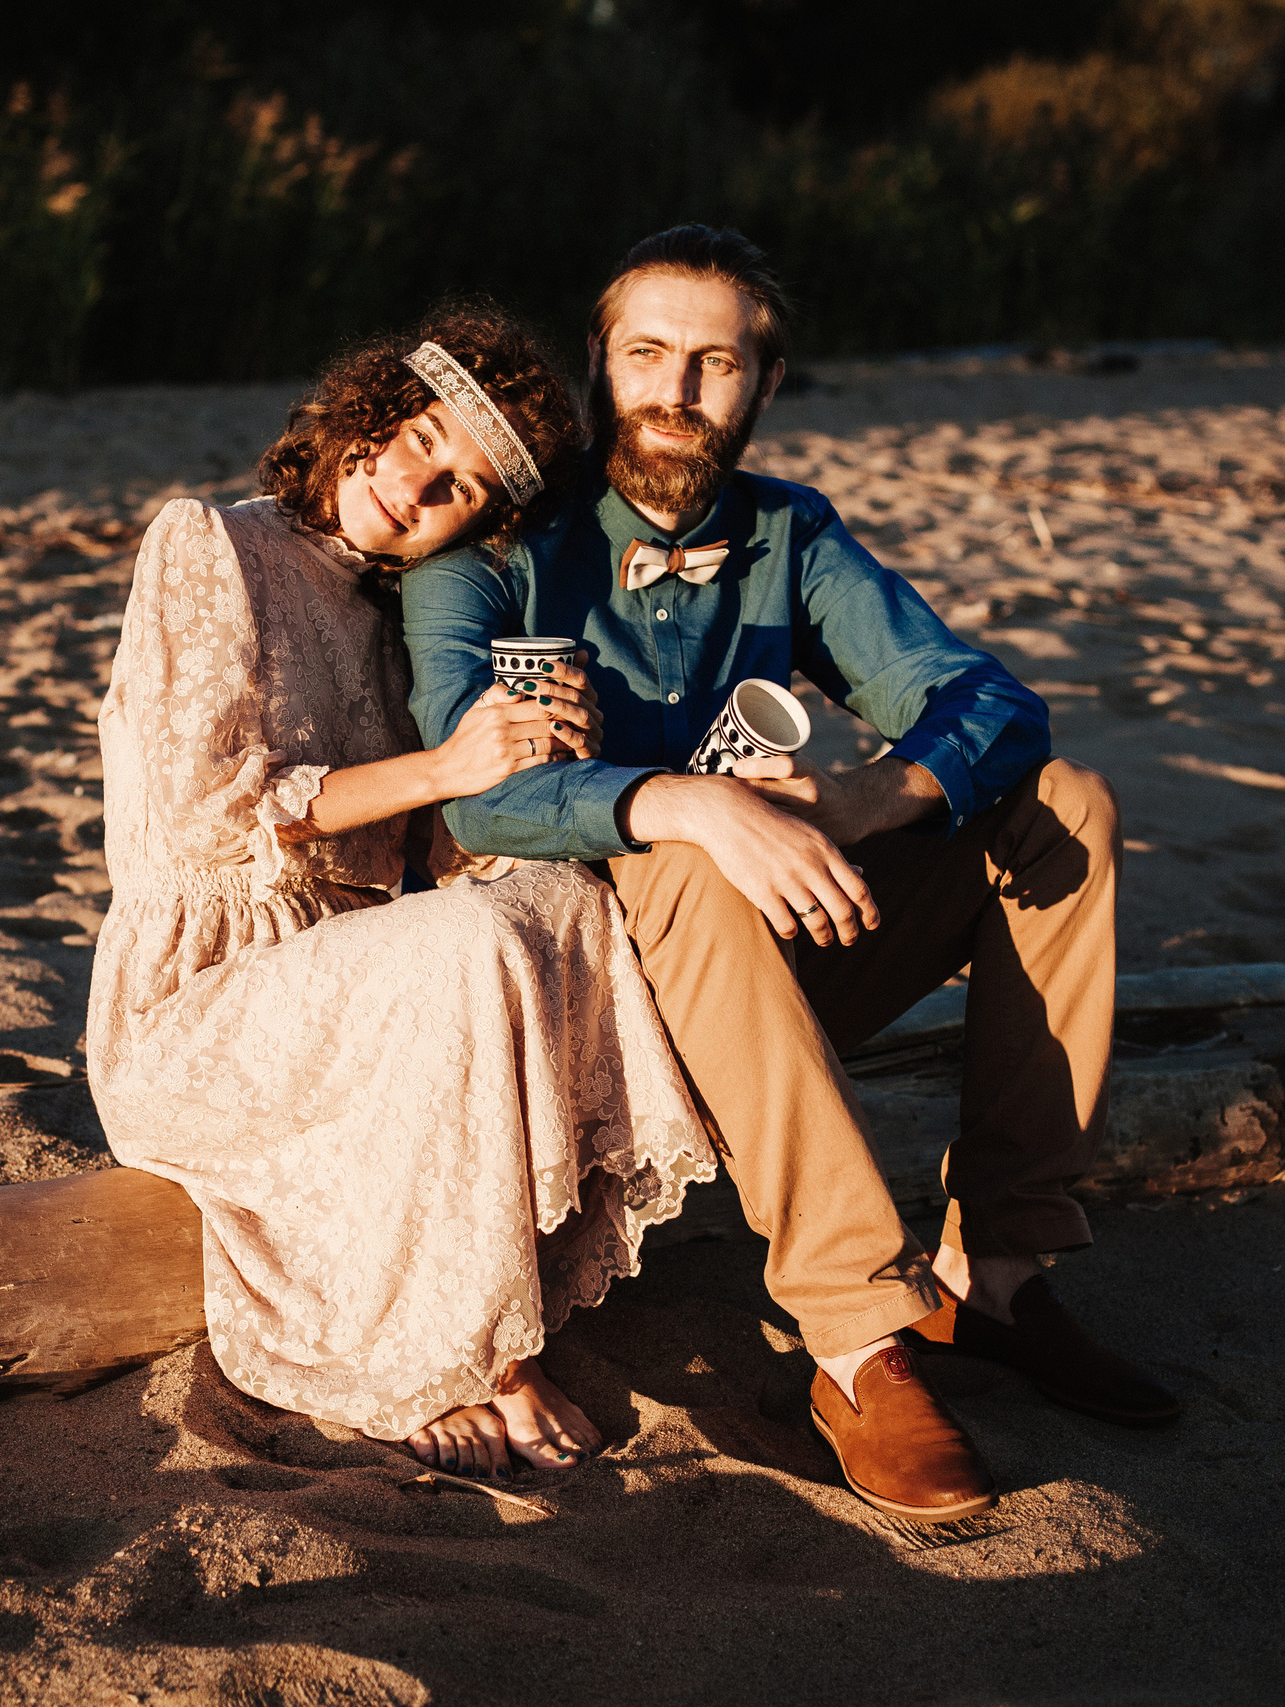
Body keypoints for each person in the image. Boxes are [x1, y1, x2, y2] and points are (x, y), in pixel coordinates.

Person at [403, 227, 1176, 1526]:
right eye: (646, 352)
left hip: (782, 966)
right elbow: (473, 787)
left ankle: (998, 1267)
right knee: (692, 857)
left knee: (1065, 808)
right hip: (586, 1010)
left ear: (764, 383)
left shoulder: (789, 532)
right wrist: (688, 801)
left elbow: (989, 700)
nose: (676, 387)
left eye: (716, 361)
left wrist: (878, 787)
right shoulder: (498, 536)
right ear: (600, 362)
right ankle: (855, 1337)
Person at [86, 302, 715, 1479]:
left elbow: (415, 864)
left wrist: (516, 774)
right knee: (462, 946)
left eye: (464, 491)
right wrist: (441, 767)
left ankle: (487, 1302)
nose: (419, 490)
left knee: (558, 903)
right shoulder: (208, 545)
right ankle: (457, 1350)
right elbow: (203, 813)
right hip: (195, 1009)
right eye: (423, 440)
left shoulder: (402, 614)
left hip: (348, 984)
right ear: (371, 411)